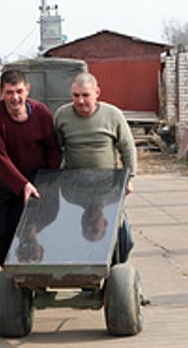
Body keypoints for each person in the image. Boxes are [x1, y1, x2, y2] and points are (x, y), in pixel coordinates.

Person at [54, 72, 138, 262]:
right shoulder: (62, 115)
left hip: (107, 186)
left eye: (86, 95)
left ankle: (116, 269)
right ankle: (85, 271)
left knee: (125, 239)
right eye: (76, 95)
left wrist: (129, 178)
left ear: (97, 92)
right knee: (77, 237)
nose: (81, 101)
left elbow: (127, 147)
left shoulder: (112, 115)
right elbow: (55, 149)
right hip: (74, 187)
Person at [0, 69, 61, 265]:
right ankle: (9, 271)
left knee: (28, 231)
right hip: (2, 179)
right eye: (9, 92)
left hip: (35, 180)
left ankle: (32, 269)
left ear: (27, 90)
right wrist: (21, 184)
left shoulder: (42, 114)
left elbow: (53, 148)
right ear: (1, 92)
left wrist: (48, 179)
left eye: (19, 91)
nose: (15, 97)